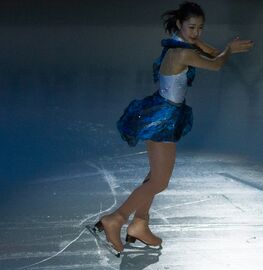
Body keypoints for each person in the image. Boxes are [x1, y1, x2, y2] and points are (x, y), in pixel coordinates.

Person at [91, 1, 253, 255]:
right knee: (160, 181)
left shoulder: (181, 45)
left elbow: (210, 53)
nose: (196, 32)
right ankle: (116, 219)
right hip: (164, 117)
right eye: (192, 27)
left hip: (166, 112)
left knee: (154, 176)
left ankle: (139, 224)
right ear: (179, 24)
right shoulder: (180, 53)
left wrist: (210, 45)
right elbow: (216, 63)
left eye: (200, 28)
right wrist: (228, 50)